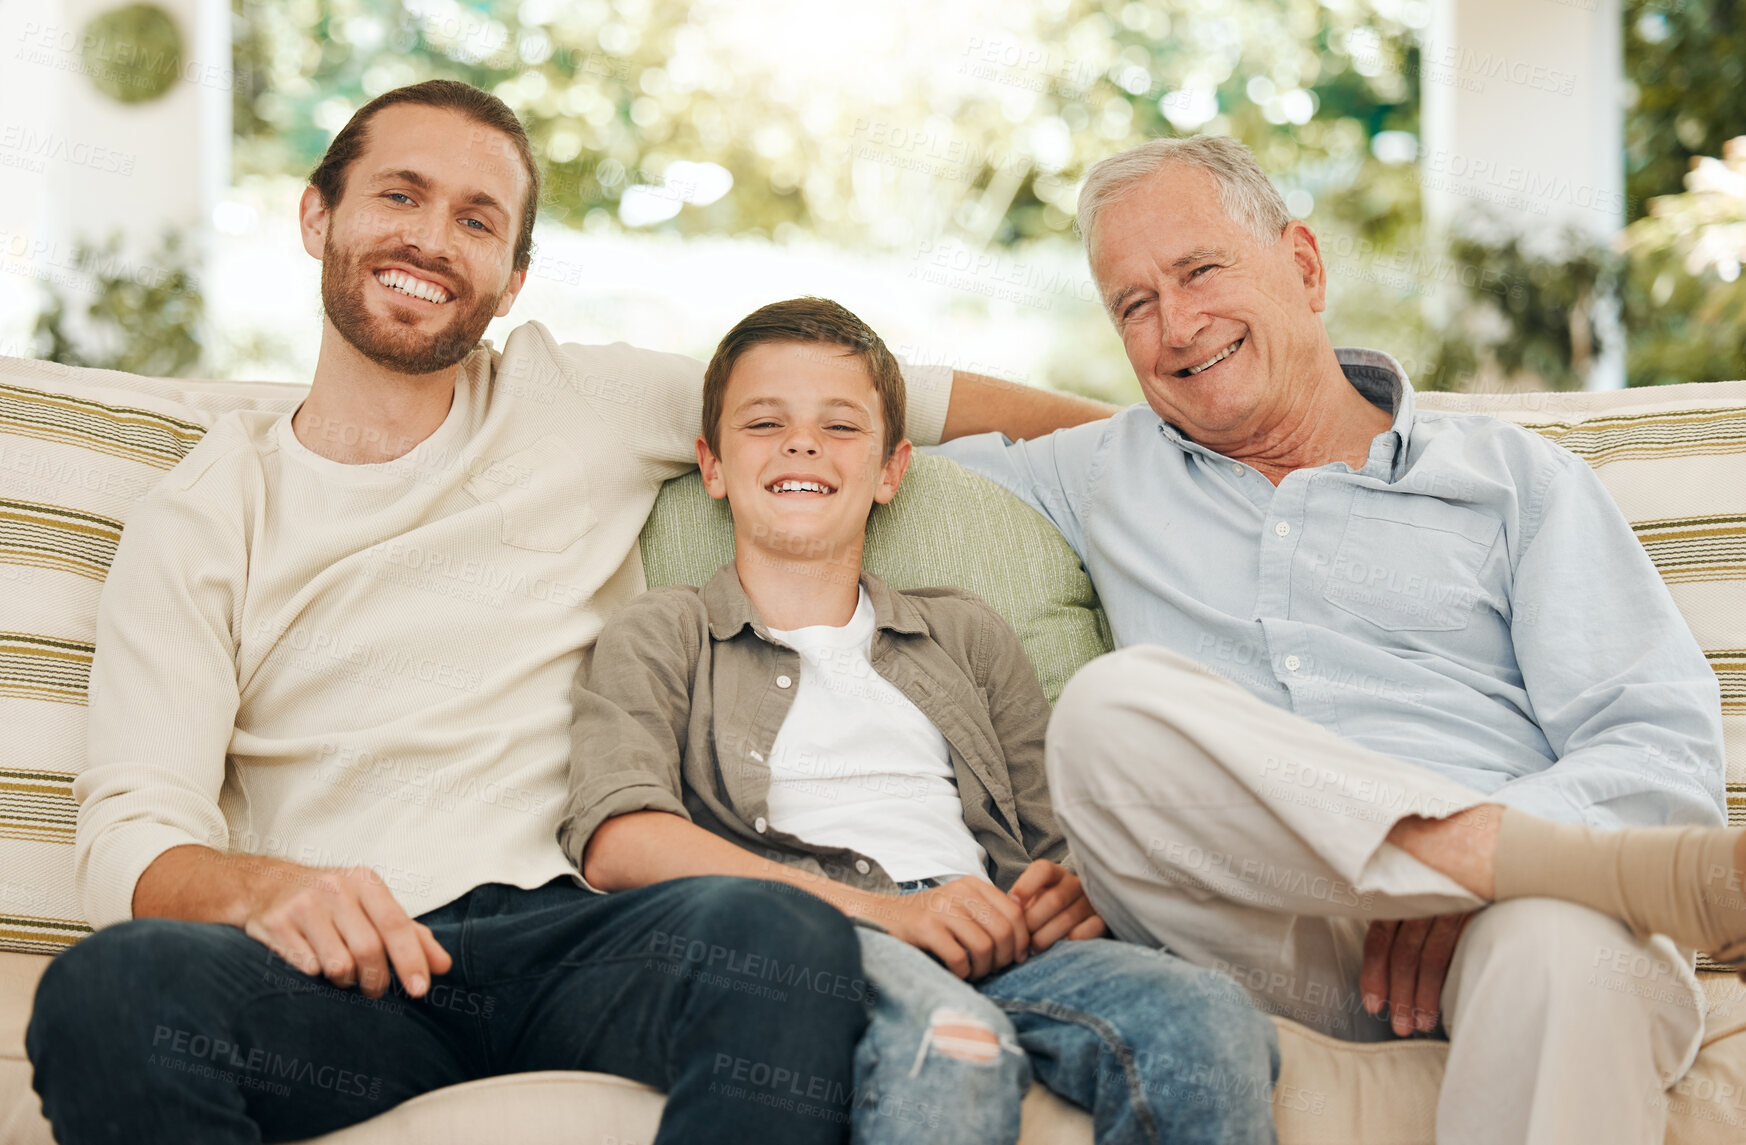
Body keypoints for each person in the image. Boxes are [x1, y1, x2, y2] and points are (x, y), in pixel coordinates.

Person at [24, 81, 1110, 1145]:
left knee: (777, 932)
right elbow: (132, 829)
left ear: (512, 279)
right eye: (399, 196)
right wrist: (267, 889)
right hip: (345, 974)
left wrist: (1152, 432)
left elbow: (890, 392)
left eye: (476, 220)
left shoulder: (577, 400)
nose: (432, 238)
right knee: (108, 990)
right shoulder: (207, 511)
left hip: (579, 935)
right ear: (320, 217)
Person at [932, 133, 1746, 1145]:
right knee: (1111, 708)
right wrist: (1471, 856)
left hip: (1515, 921)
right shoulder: (1102, 468)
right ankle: (1477, 855)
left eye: (1199, 271)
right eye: (1133, 305)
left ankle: (1487, 864)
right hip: (1261, 931)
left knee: (1569, 941)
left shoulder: (1516, 481)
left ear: (1305, 267)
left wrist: (1477, 879)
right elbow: (849, 401)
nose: (1176, 324)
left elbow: (1659, 754)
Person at [558, 296, 1281, 1145]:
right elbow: (619, 838)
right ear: (711, 465)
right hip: (818, 942)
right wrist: (892, 915)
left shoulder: (964, 629)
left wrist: (1072, 894)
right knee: (953, 1046)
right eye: (764, 423)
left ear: (893, 470)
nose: (803, 444)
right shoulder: (665, 629)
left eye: (840, 426)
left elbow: (1051, 839)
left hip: (995, 931)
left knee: (1207, 1014)